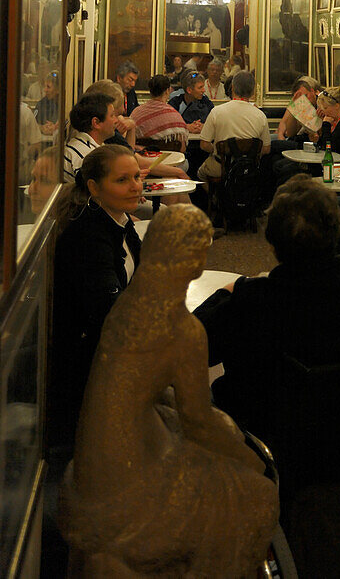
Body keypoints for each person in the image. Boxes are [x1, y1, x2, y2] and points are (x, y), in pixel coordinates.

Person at [195, 175, 340, 577]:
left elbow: (194, 344)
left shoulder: (256, 303)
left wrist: (231, 292)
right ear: (336, 230)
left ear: (271, 244)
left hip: (280, 451)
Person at [59, 203, 278, 579]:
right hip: (122, 496)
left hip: (90, 472)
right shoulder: (182, 330)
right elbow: (198, 421)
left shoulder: (127, 303)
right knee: (256, 495)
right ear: (195, 260)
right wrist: (254, 463)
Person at [49, 144, 143, 444]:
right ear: (94, 187)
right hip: (86, 361)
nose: (135, 187)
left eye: (138, 177)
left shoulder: (120, 220)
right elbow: (109, 311)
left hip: (110, 343)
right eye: (122, 180)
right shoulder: (88, 236)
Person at [198, 70, 271, 181]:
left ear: (232, 87)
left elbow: (204, 145)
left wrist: (216, 150)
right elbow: (266, 149)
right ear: (252, 92)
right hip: (249, 170)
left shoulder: (217, 112)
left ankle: (216, 197)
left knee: (200, 174)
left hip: (221, 168)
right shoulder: (260, 116)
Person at [63, 93, 118, 181]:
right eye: (112, 115)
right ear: (96, 123)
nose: (116, 120)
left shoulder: (91, 146)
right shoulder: (85, 156)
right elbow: (96, 192)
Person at [130, 74, 189, 150]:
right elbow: (182, 148)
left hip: (143, 158)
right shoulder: (174, 115)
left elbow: (130, 142)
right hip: (169, 160)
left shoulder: (137, 113)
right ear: (167, 91)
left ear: (150, 91)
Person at [275, 75, 322, 143]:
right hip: (297, 139)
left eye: (306, 96)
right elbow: (290, 133)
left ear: (313, 91)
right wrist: (295, 105)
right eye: (302, 98)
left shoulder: (322, 103)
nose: (305, 100)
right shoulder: (299, 102)